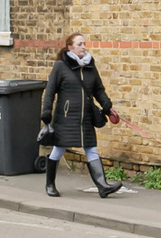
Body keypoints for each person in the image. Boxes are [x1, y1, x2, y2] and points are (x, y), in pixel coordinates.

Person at [40, 31, 123, 198]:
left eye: (84, 43)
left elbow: (99, 89)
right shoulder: (60, 66)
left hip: (85, 118)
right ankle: (50, 185)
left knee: (91, 149)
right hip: (65, 118)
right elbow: (50, 91)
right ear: (70, 47)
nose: (83, 47)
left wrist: (106, 105)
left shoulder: (90, 66)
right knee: (58, 149)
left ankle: (102, 186)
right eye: (79, 44)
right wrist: (46, 111)